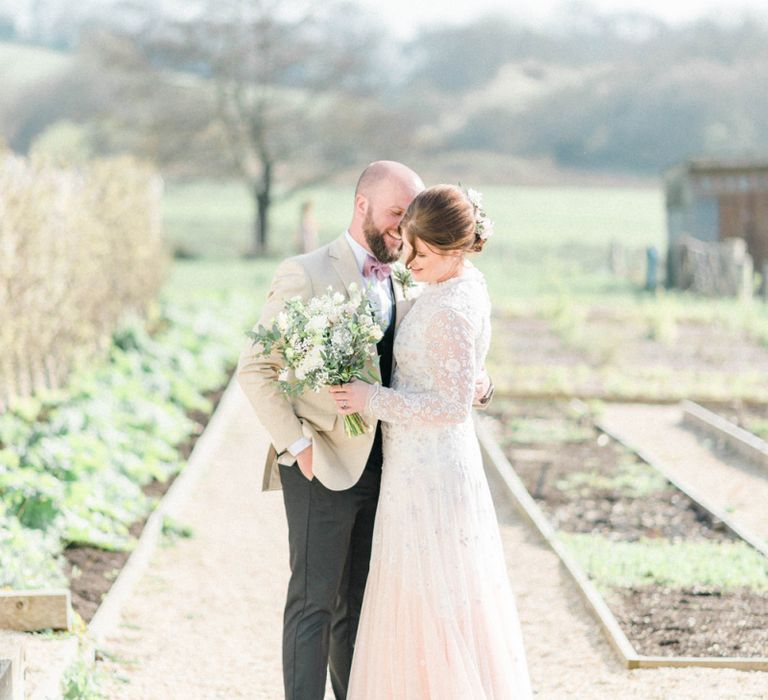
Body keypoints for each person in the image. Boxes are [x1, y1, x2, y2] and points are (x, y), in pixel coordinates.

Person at [237, 162, 494, 700]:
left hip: (396, 469)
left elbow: (437, 356)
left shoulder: (408, 271)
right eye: (398, 214)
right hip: (322, 463)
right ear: (363, 207)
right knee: (314, 603)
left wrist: (479, 379)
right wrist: (298, 445)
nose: (406, 231)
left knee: (362, 608)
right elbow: (256, 367)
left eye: (414, 217)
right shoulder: (305, 272)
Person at [330, 185, 533, 699]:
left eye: (422, 252)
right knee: (413, 587)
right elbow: (462, 377)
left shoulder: (454, 306)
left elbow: (448, 407)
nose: (409, 259)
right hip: (415, 464)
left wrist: (368, 398)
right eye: (409, 246)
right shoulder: (453, 284)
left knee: (432, 589)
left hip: (433, 470)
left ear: (456, 249)